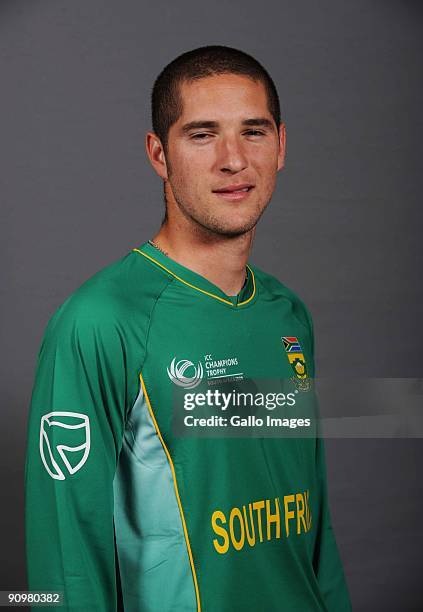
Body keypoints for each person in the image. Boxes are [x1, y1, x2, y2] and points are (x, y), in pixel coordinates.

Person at [24, 45, 352, 611]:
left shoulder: (287, 313)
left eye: (253, 132)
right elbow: (64, 562)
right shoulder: (100, 321)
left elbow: (313, 524)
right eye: (202, 135)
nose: (233, 160)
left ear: (281, 147)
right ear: (159, 154)